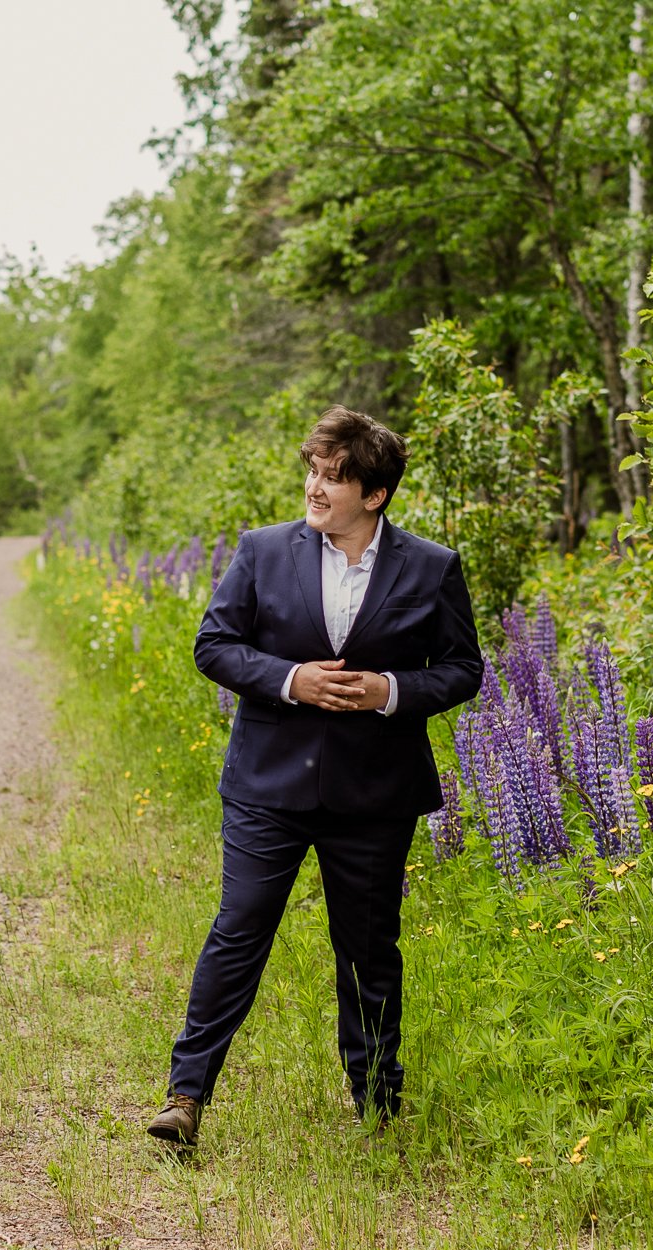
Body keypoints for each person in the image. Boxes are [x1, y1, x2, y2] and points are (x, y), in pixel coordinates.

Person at [148, 406, 482, 1148]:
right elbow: (214, 644)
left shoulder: (432, 566)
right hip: (267, 785)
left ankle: (378, 1105)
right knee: (239, 930)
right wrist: (291, 679)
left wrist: (390, 690)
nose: (315, 486)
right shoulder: (264, 552)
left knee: (367, 947)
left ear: (375, 495)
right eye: (313, 470)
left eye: (334, 477)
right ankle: (185, 1095)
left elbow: (463, 669)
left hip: (375, 793)